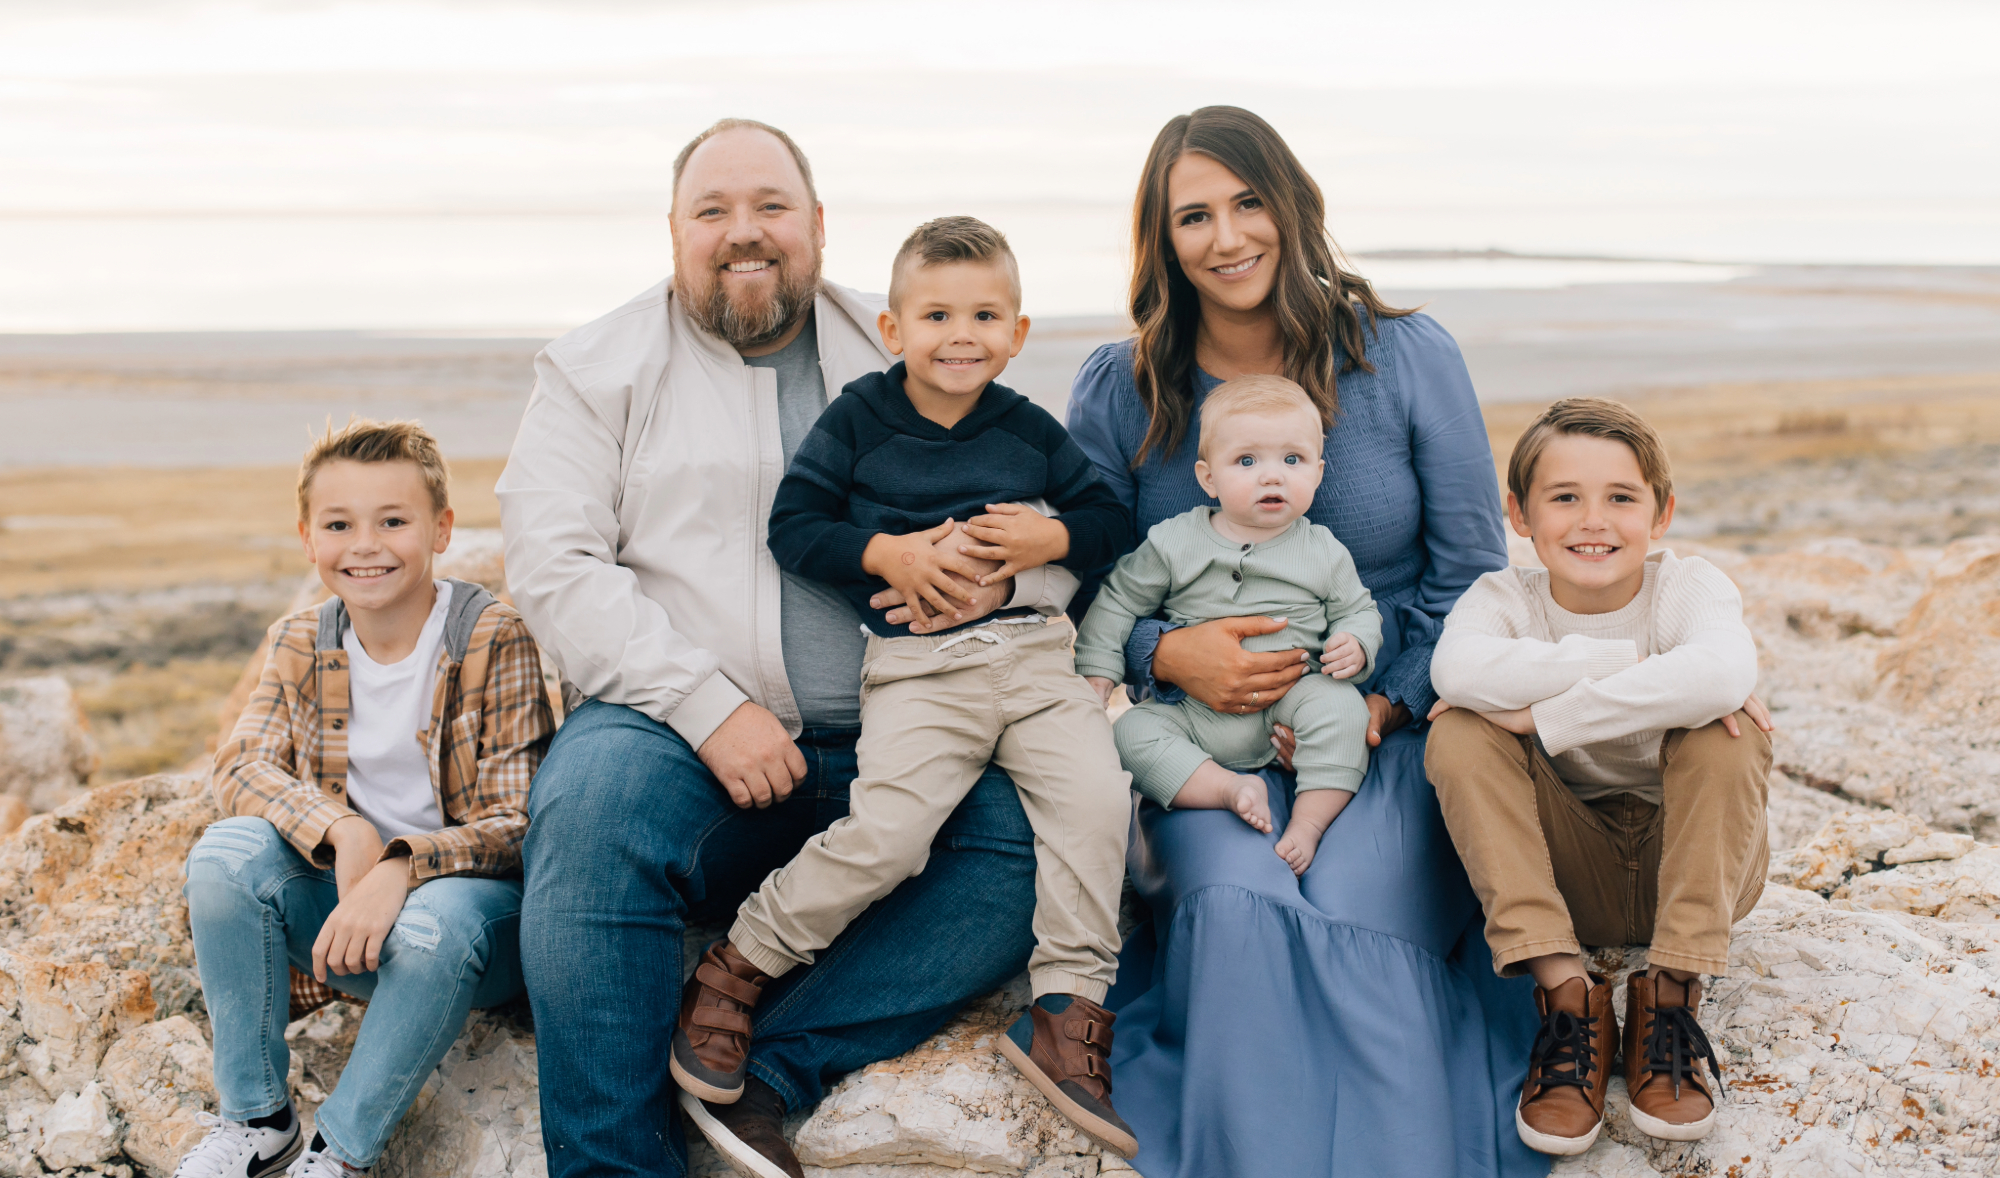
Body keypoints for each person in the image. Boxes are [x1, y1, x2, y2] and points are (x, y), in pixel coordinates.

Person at [499, 122, 1080, 1178]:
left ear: (816, 225)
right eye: (711, 211)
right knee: (586, 822)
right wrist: (703, 705)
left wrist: (1004, 576)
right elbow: (553, 566)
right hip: (675, 739)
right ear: (671, 233)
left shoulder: (912, 340)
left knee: (1023, 847)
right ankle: (615, 1165)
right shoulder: (593, 368)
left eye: (769, 206)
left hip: (909, 728)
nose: (742, 233)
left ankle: (759, 1070)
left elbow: (1044, 517)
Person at [1064, 105, 1545, 1177]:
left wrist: (1382, 702)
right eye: (1193, 215)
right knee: (1238, 911)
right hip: (1196, 742)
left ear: (1289, 205)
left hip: (1387, 732)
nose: (1226, 235)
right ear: (1161, 238)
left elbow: (1467, 568)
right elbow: (1086, 579)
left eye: (1245, 202)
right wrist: (1164, 657)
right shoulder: (1119, 385)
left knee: (1360, 913)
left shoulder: (1406, 356)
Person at [673, 216, 1139, 1159]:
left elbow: (1105, 517)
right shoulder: (859, 419)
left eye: (983, 315)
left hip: (1038, 661)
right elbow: (794, 524)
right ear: (893, 330)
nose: (959, 334)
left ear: (1017, 332)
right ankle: (740, 964)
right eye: (935, 314)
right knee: (889, 832)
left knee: (1096, 802)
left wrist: (1049, 542)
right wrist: (882, 550)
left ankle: (1066, 1008)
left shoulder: (1029, 428)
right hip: (921, 671)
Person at [181, 419, 554, 1178]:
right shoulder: (300, 639)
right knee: (224, 855)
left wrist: (400, 863)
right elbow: (242, 763)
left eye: (393, 520)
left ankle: (339, 1154)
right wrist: (345, 830)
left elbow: (519, 822)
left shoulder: (491, 637)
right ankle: (258, 1121)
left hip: (468, 933)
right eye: (339, 524)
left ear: (441, 528)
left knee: (435, 924)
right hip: (344, 926)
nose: (366, 545)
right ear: (307, 537)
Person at [1426, 397, 1773, 1155]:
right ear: (1519, 514)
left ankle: (1671, 996)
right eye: (1564, 497)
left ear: (1662, 514)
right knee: (1457, 729)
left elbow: (1722, 672)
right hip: (1563, 871)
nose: (1594, 520)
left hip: (1691, 866)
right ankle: (1568, 998)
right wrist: (1630, 665)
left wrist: (1549, 715)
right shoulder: (1502, 600)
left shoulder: (1689, 587)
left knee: (1727, 731)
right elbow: (1455, 669)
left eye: (1621, 497)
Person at [1074, 373, 1381, 875]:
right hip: (1195, 712)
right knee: (1130, 734)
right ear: (1208, 477)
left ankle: (1310, 821)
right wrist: (1098, 668)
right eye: (1246, 461)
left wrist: (1356, 642)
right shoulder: (1174, 542)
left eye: (1292, 460)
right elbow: (1118, 600)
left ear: (1319, 472)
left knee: (1344, 711)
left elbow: (1358, 609)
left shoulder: (1323, 550)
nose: (1272, 476)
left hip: (1294, 698)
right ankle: (1226, 787)